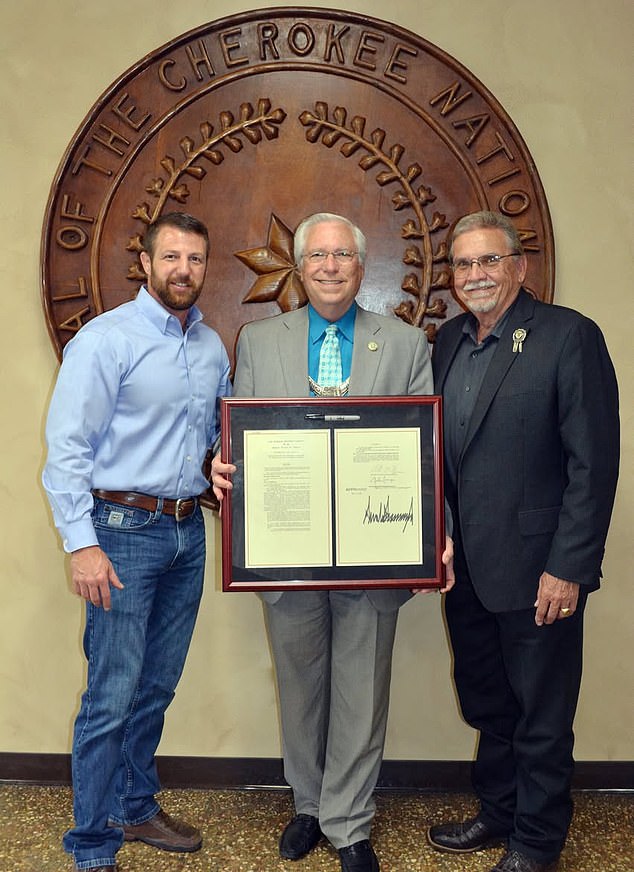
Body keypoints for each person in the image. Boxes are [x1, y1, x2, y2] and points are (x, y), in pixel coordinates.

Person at [212, 212, 454, 872]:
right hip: (286, 553)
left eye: (342, 255)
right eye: (316, 254)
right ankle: (311, 805)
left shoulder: (405, 345)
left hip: (375, 554)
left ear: (360, 264)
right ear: (298, 263)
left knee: (361, 686)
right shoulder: (259, 341)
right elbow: (237, 435)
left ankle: (350, 822)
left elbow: (426, 456)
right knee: (301, 683)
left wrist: (439, 536)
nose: (328, 266)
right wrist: (221, 462)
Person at [426, 211, 619, 872]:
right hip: (468, 568)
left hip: (540, 568)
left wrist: (569, 567)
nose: (475, 275)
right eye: (463, 264)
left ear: (518, 267)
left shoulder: (569, 337)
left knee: (541, 714)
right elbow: (438, 457)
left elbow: (594, 465)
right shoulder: (448, 342)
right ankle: (498, 811)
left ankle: (536, 842)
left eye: (488, 261)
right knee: (489, 701)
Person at [42, 212, 231, 872]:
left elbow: (213, 441)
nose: (185, 269)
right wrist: (80, 544)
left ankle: (135, 803)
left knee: (155, 687)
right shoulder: (105, 341)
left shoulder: (211, 349)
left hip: (186, 534)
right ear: (145, 264)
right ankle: (93, 849)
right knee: (110, 697)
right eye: (172, 257)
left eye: (197, 259)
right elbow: (66, 450)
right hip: (120, 535)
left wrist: (218, 468)